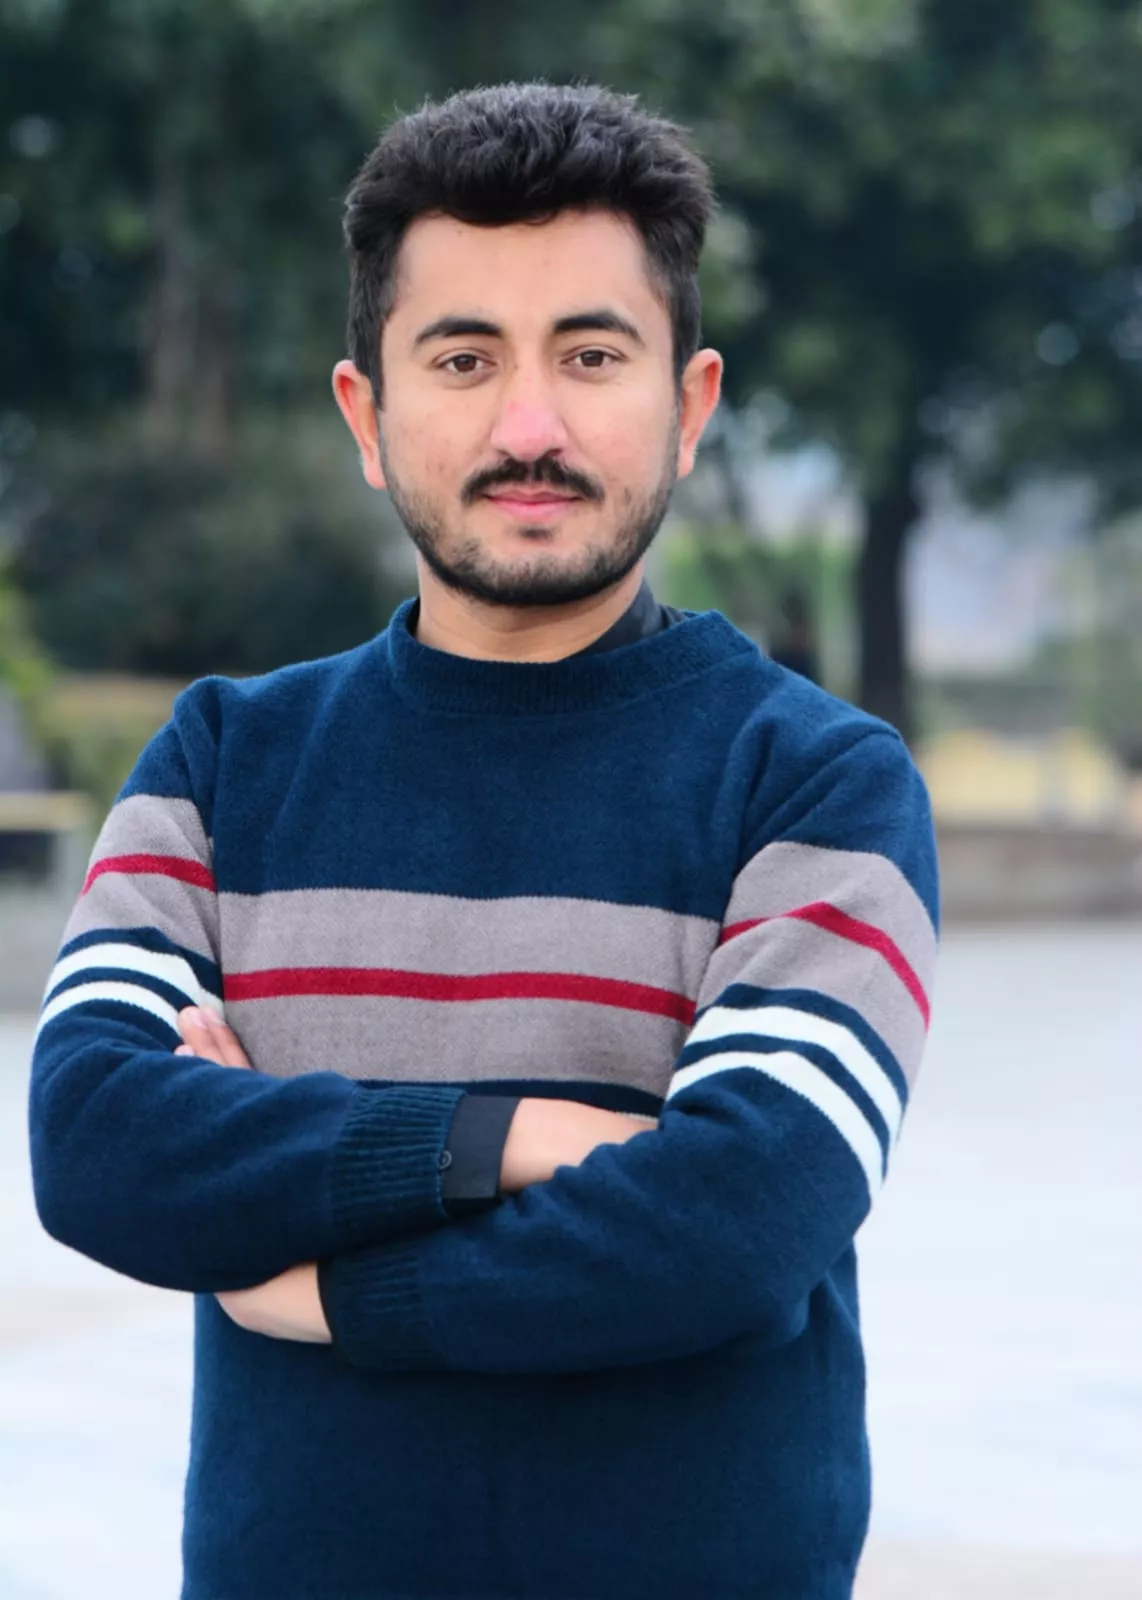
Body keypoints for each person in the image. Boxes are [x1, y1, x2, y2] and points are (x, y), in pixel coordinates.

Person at [28, 83, 938, 1600]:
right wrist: (523, 1138)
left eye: (591, 355)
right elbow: (96, 1145)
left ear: (690, 405)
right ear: (365, 416)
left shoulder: (816, 781)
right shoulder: (224, 760)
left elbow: (731, 1223)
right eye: (461, 360)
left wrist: (325, 1293)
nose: (530, 426)